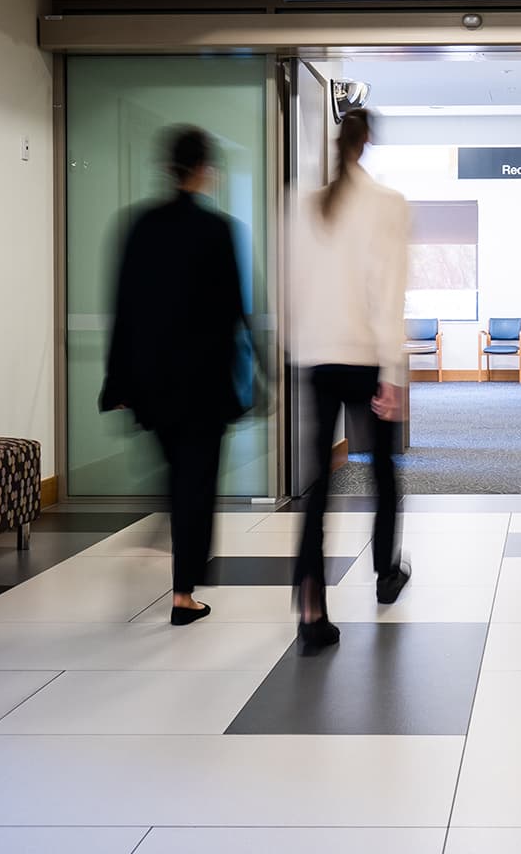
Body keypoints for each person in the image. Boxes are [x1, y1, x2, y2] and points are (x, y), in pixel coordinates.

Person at [99, 125, 254, 626]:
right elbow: (235, 311)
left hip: (155, 384)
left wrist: (117, 382)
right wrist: (256, 374)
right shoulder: (219, 230)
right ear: (205, 171)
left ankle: (177, 549)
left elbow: (123, 308)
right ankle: (183, 592)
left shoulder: (140, 226)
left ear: (169, 168)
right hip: (205, 385)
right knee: (198, 483)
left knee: (178, 476)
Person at [287, 108, 413, 652]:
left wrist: (299, 350)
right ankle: (386, 572)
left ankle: (312, 606)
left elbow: (290, 289)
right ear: (368, 143)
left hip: (316, 357)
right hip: (365, 356)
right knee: (383, 468)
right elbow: (388, 294)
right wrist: (393, 372)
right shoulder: (387, 204)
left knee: (318, 482)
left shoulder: (302, 205)